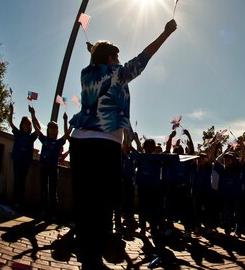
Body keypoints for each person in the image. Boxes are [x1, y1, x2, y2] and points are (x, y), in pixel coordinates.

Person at [68, 19, 177, 269]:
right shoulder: (118, 73)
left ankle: (88, 256)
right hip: (105, 144)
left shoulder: (86, 74)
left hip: (79, 141)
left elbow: (99, 63)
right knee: (105, 201)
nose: (119, 61)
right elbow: (144, 57)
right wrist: (165, 33)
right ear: (110, 60)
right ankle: (98, 252)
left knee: (85, 202)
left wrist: (95, 51)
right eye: (116, 57)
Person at [34, 112, 70, 219]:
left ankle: (53, 213)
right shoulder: (44, 139)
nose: (53, 130)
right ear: (48, 129)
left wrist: (66, 121)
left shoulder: (59, 142)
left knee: (53, 192)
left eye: (55, 128)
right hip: (44, 167)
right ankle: (43, 210)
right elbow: (36, 129)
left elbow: (67, 134)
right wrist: (33, 115)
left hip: (54, 168)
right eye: (51, 127)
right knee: (44, 190)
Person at [8, 103, 38, 210]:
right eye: (26, 123)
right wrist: (11, 111)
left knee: (22, 181)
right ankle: (15, 201)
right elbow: (10, 123)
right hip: (17, 160)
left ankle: (20, 201)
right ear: (21, 125)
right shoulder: (18, 133)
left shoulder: (31, 137)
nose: (28, 125)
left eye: (29, 124)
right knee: (17, 180)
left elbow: (38, 130)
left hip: (25, 162)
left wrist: (33, 115)